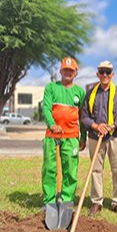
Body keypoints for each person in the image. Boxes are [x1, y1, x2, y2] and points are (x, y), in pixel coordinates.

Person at [81, 60, 117, 216]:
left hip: (115, 137)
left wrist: (112, 126)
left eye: (108, 72)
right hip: (95, 137)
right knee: (96, 170)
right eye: (102, 72)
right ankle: (97, 202)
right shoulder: (90, 92)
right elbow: (84, 117)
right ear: (97, 74)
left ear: (112, 74)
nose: (104, 75)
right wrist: (96, 126)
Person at [41, 57, 86, 208]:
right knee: (50, 169)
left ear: (75, 73)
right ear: (60, 71)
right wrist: (52, 124)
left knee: (70, 171)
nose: (68, 72)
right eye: (65, 70)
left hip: (71, 137)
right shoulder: (51, 88)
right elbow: (46, 108)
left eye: (71, 70)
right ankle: (50, 202)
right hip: (52, 137)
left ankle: (66, 202)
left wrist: (83, 137)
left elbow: (82, 117)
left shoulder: (79, 92)